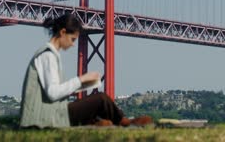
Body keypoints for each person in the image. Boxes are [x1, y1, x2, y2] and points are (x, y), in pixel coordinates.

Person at [19, 13, 152, 128]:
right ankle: (125, 122)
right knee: (101, 99)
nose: (73, 44)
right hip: (45, 118)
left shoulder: (48, 54)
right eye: (73, 39)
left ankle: (99, 124)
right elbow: (53, 93)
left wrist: (83, 84)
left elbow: (54, 92)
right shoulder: (47, 56)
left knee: (92, 111)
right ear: (63, 32)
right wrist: (80, 80)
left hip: (47, 113)